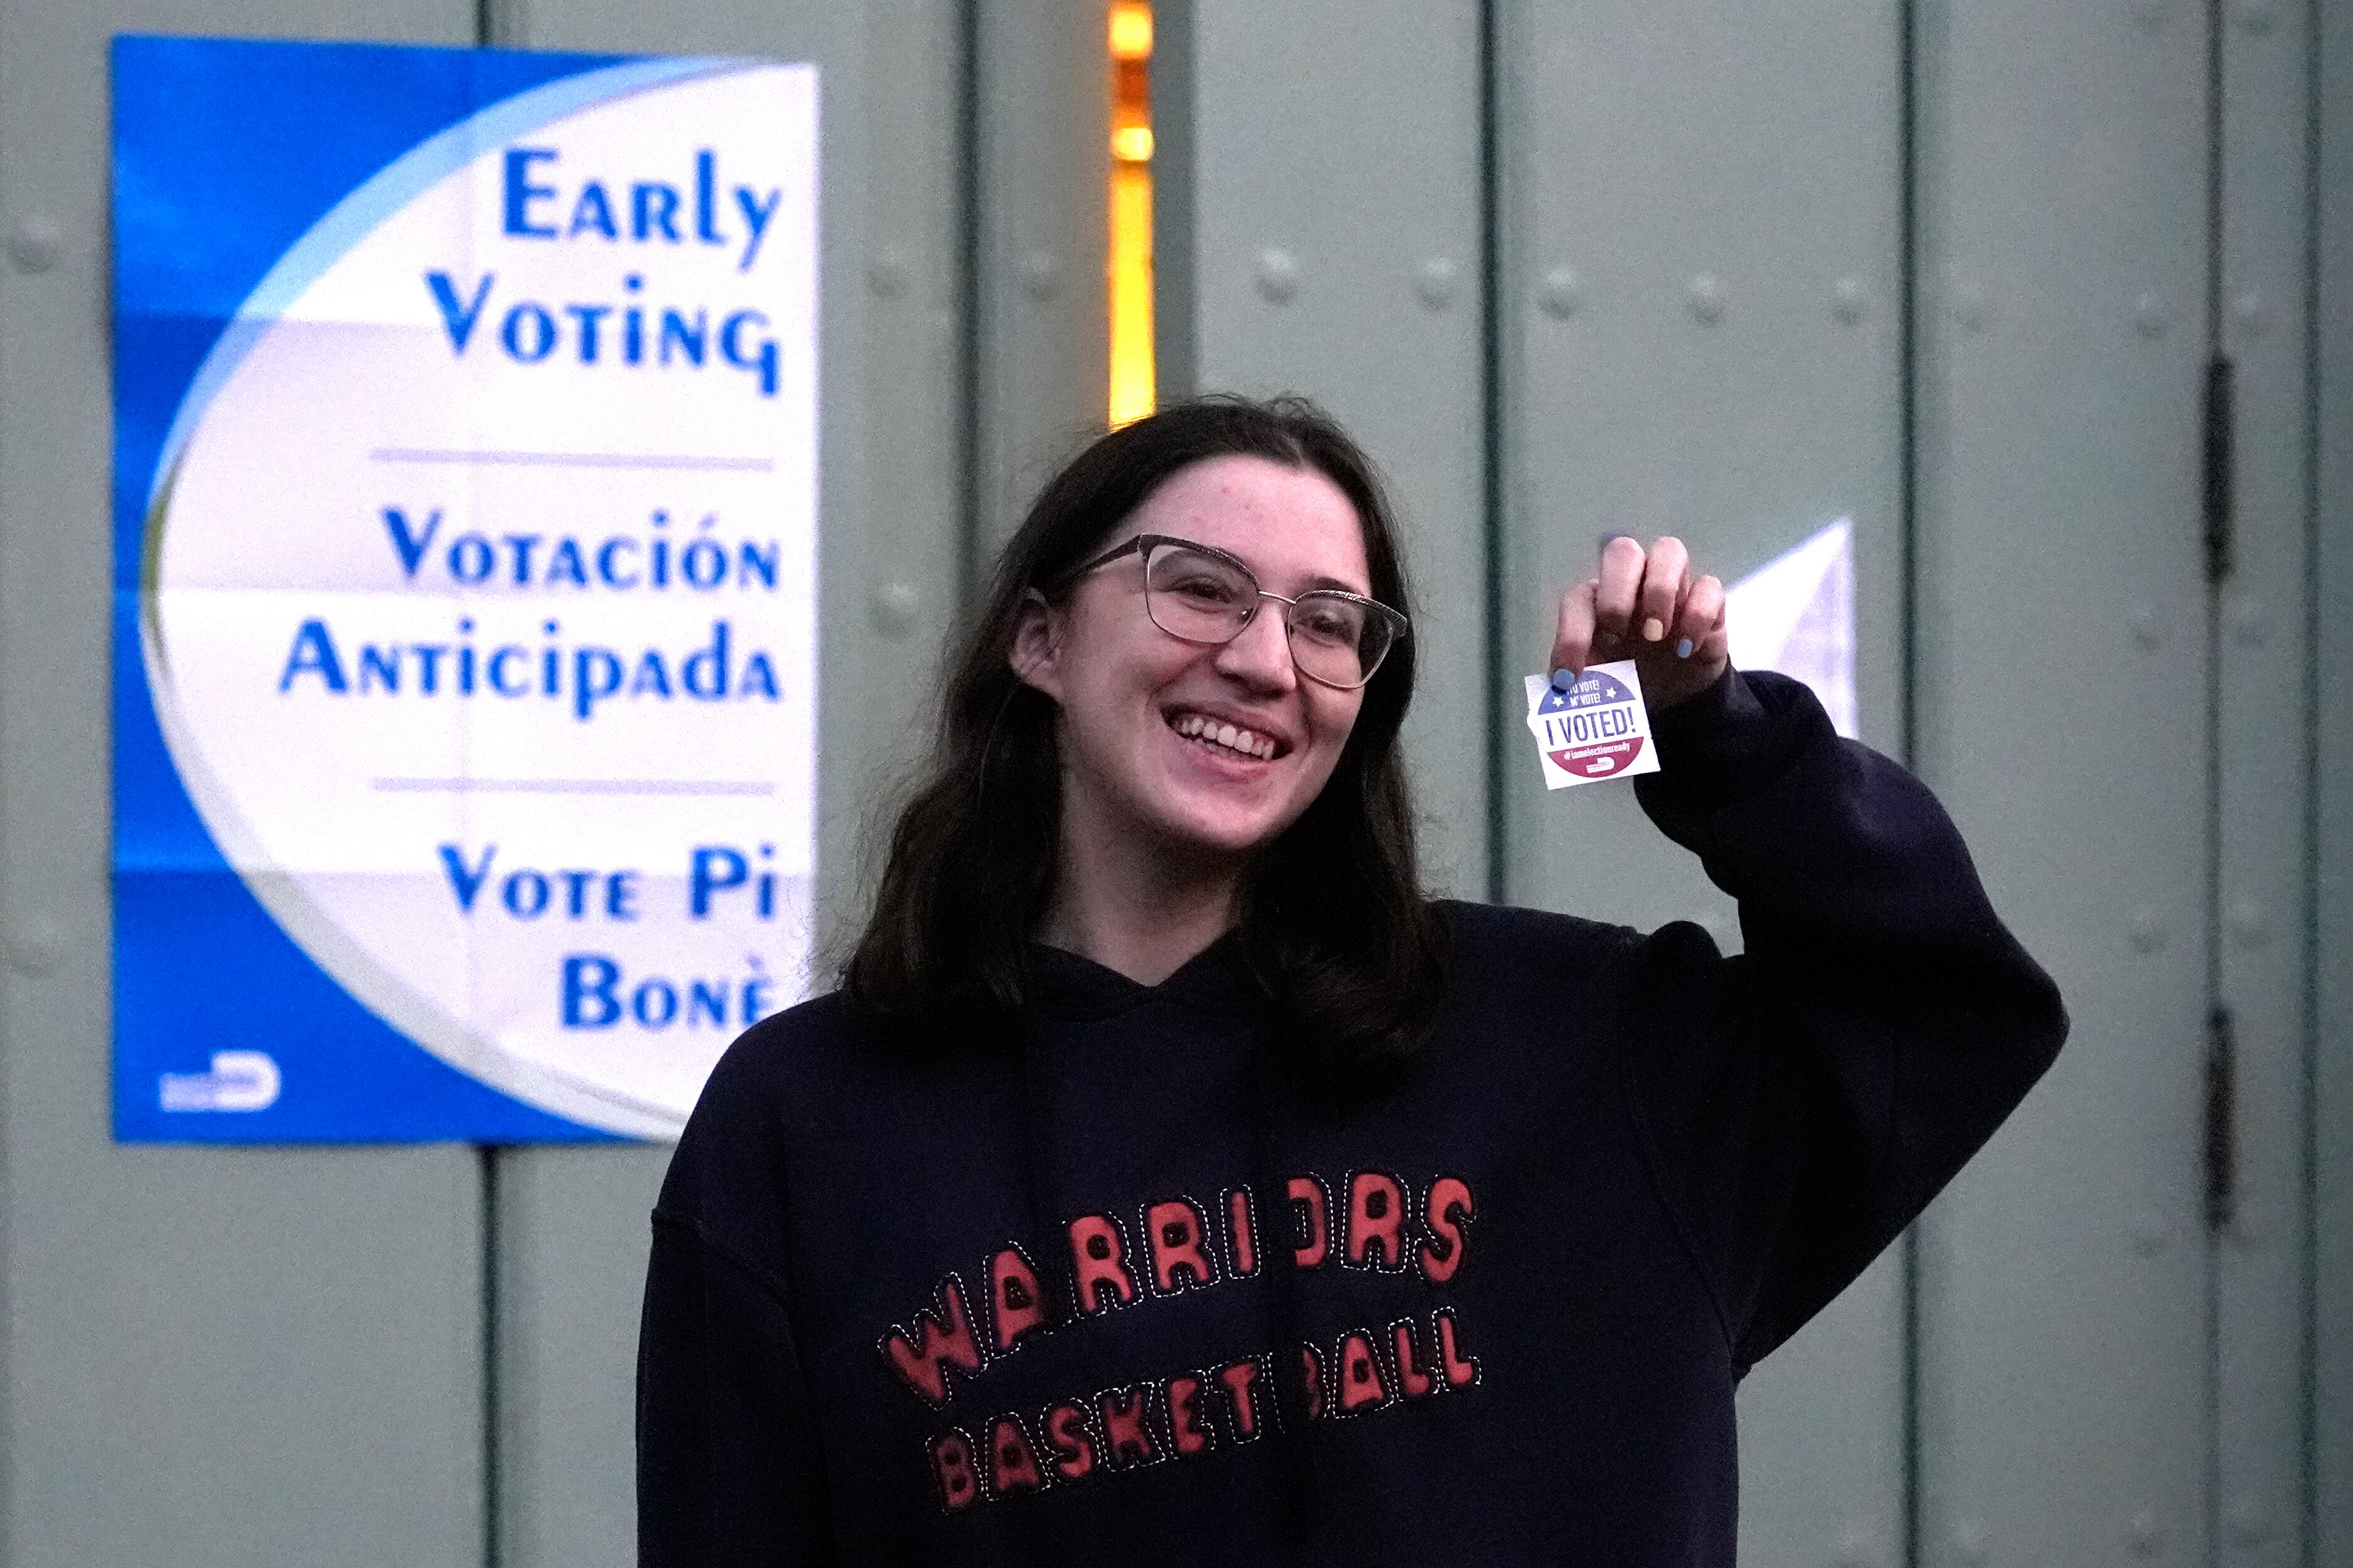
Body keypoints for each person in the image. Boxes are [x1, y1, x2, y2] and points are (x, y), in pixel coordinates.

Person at [636, 395, 2066, 1564]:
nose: (1266, 658)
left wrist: (1715, 736)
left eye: (1331, 622)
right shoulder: (808, 1122)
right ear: (1042, 637)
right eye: (1198, 587)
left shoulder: (1579, 1051)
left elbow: (1938, 1006)